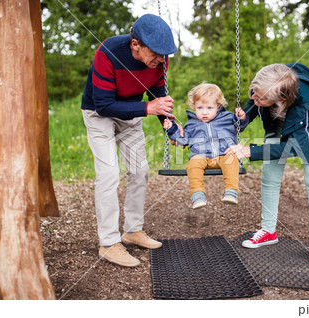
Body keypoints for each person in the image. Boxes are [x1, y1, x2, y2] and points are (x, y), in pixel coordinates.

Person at [81, 14, 182, 267]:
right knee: (108, 174)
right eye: (156, 53)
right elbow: (104, 106)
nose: (161, 60)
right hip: (98, 113)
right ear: (135, 44)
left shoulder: (159, 60)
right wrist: (149, 109)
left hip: (132, 111)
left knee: (140, 171)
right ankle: (108, 243)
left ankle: (132, 230)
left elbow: (158, 92)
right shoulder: (108, 52)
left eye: (165, 55)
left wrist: (170, 126)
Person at [226, 63, 309, 266]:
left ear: (281, 99)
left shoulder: (307, 103)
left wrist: (250, 151)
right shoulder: (271, 80)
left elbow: (294, 147)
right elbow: (254, 101)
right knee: (270, 173)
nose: (254, 99)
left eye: (260, 98)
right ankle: (268, 230)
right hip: (279, 121)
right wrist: (244, 116)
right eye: (254, 94)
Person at [163, 83, 247, 209]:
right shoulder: (191, 124)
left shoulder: (227, 118)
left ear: (218, 106)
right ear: (194, 107)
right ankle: (198, 195)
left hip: (224, 154)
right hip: (200, 156)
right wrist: (171, 129)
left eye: (209, 108)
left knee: (232, 160)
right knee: (193, 165)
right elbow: (182, 140)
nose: (204, 112)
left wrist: (241, 118)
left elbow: (240, 126)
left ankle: (231, 192)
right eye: (200, 108)